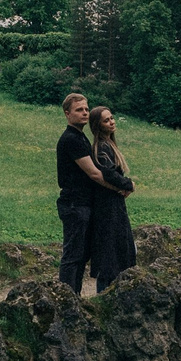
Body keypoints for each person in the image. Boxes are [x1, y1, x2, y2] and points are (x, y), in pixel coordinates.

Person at [54, 92, 104, 292]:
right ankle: (67, 297)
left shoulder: (80, 137)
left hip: (82, 202)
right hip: (74, 204)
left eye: (86, 109)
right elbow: (94, 173)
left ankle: (74, 296)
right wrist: (121, 186)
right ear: (67, 114)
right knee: (73, 255)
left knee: (80, 254)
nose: (85, 113)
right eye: (79, 110)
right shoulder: (71, 139)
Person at [86, 105, 136, 291]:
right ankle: (105, 293)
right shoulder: (101, 148)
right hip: (107, 206)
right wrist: (128, 184)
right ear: (98, 125)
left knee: (118, 248)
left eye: (112, 118)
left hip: (113, 203)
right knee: (110, 251)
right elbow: (108, 173)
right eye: (106, 120)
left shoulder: (108, 145)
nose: (111, 122)